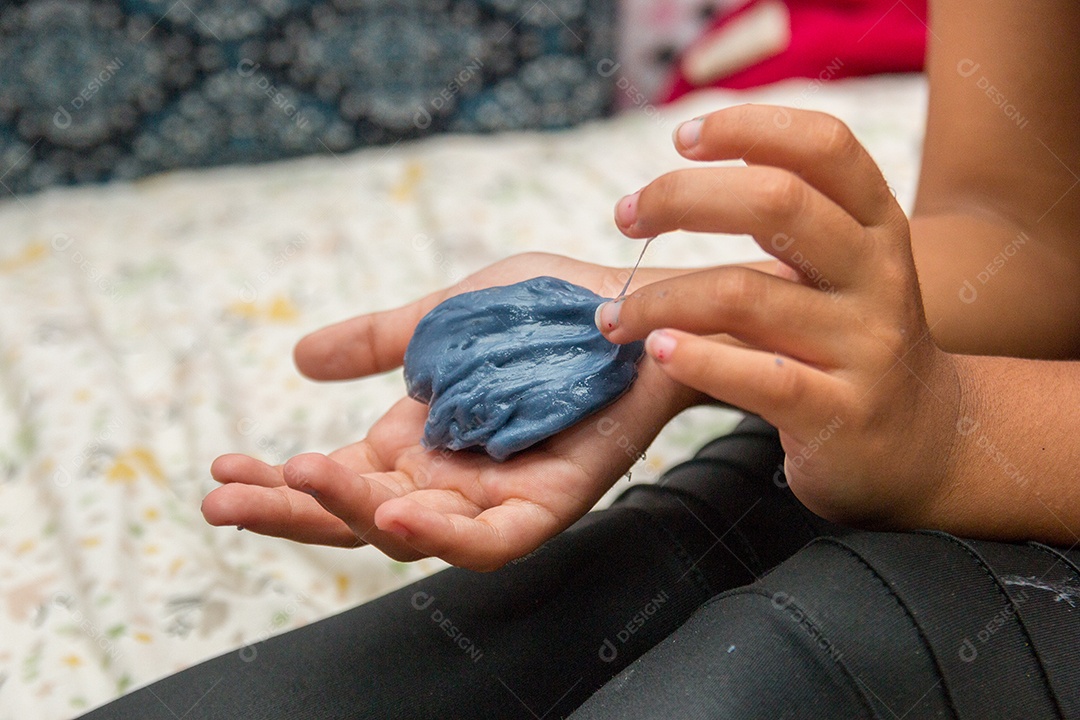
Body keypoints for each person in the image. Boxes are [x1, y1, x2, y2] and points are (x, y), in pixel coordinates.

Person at [81, 0, 1080, 717]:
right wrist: (702, 330)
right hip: (971, 403)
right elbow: (1027, 234)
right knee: (452, 650)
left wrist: (956, 436)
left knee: (771, 666)